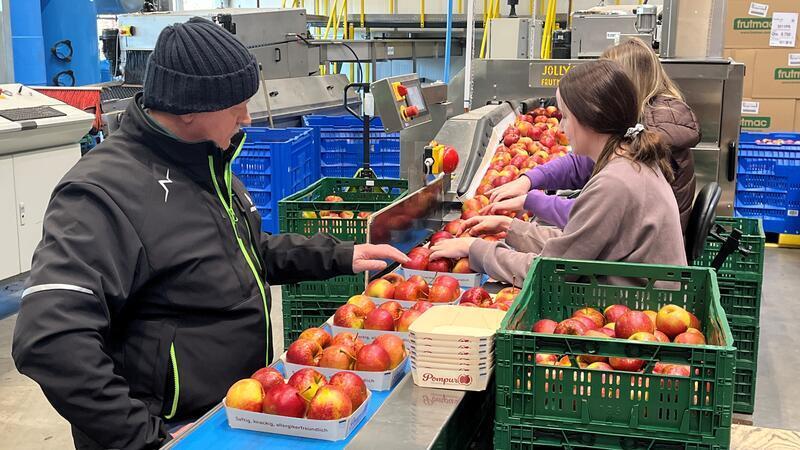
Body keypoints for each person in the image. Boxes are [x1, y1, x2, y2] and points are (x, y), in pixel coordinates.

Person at [12, 18, 407, 450]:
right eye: (236, 104)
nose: (247, 116)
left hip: (225, 418)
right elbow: (49, 339)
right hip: (172, 431)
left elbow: (241, 254)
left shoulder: (206, 165)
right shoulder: (101, 193)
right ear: (189, 109)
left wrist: (338, 255)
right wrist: (145, 438)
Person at [430, 59, 687, 286]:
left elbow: (553, 271)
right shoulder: (631, 159)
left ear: (591, 118)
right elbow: (576, 244)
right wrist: (510, 227)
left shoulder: (614, 183)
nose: (561, 128)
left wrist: (477, 250)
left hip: (634, 315)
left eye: (565, 116)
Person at [487, 38, 700, 232]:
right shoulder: (638, 129)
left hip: (640, 264)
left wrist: (531, 203)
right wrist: (530, 180)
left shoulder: (649, 142)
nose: (561, 128)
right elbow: (582, 166)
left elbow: (594, 213)